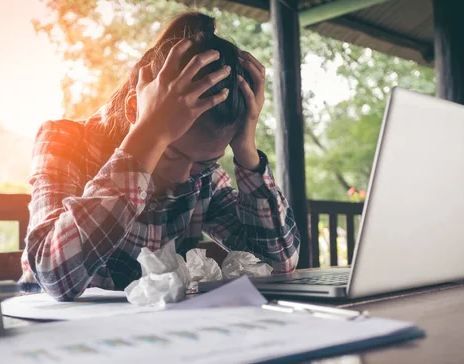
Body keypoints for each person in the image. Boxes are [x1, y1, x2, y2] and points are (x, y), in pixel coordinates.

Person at [19, 11, 300, 300]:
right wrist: (147, 139)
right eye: (171, 153)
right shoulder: (65, 141)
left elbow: (279, 264)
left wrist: (246, 151)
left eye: (203, 163)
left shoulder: (202, 177)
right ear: (134, 112)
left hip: (152, 333)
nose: (182, 177)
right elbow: (53, 275)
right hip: (47, 330)